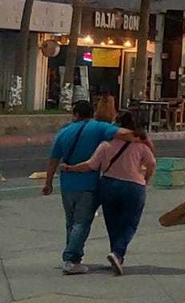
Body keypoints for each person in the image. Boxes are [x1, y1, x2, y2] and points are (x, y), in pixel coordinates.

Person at [45, 101, 136, 275]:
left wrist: (48, 183)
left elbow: (53, 160)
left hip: (66, 184)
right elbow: (123, 133)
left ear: (75, 114)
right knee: (82, 223)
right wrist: (138, 136)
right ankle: (70, 259)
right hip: (88, 184)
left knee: (71, 223)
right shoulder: (99, 128)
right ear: (92, 113)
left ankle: (75, 257)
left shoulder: (63, 132)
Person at [62, 111, 156, 275]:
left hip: (108, 185)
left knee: (113, 223)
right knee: (129, 223)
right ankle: (117, 254)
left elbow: (91, 165)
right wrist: (146, 179)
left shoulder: (106, 145)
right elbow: (152, 163)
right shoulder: (141, 145)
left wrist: (70, 168)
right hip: (134, 186)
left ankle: (116, 254)